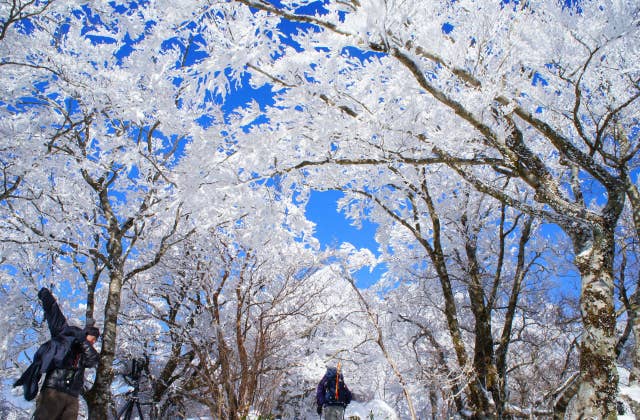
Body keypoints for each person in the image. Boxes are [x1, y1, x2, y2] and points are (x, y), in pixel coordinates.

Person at [14, 287, 100, 420]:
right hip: (53, 390)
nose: (93, 342)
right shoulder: (66, 336)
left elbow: (92, 360)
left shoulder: (85, 351)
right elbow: (54, 315)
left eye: (95, 341)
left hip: (72, 396)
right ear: (86, 334)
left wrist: (84, 342)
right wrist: (46, 296)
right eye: (93, 339)